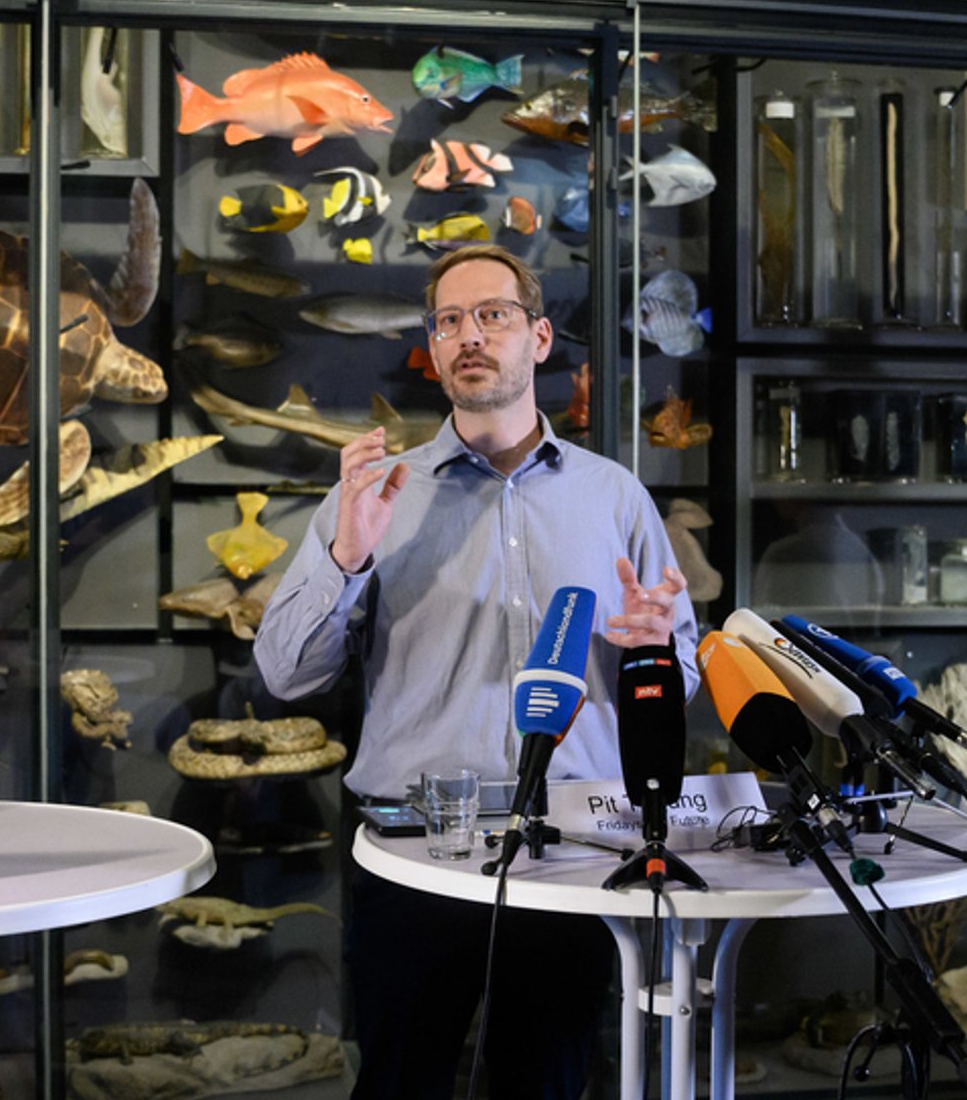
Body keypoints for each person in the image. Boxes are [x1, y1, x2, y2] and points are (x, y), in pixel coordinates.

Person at [255, 244, 698, 1099]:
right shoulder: (378, 495)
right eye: (449, 320)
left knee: (549, 1083)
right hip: (414, 855)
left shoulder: (614, 498)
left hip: (569, 854)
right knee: (397, 1083)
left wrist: (650, 652)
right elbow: (284, 674)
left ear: (538, 338)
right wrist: (347, 555)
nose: (469, 335)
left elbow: (673, 689)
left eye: (491, 314)